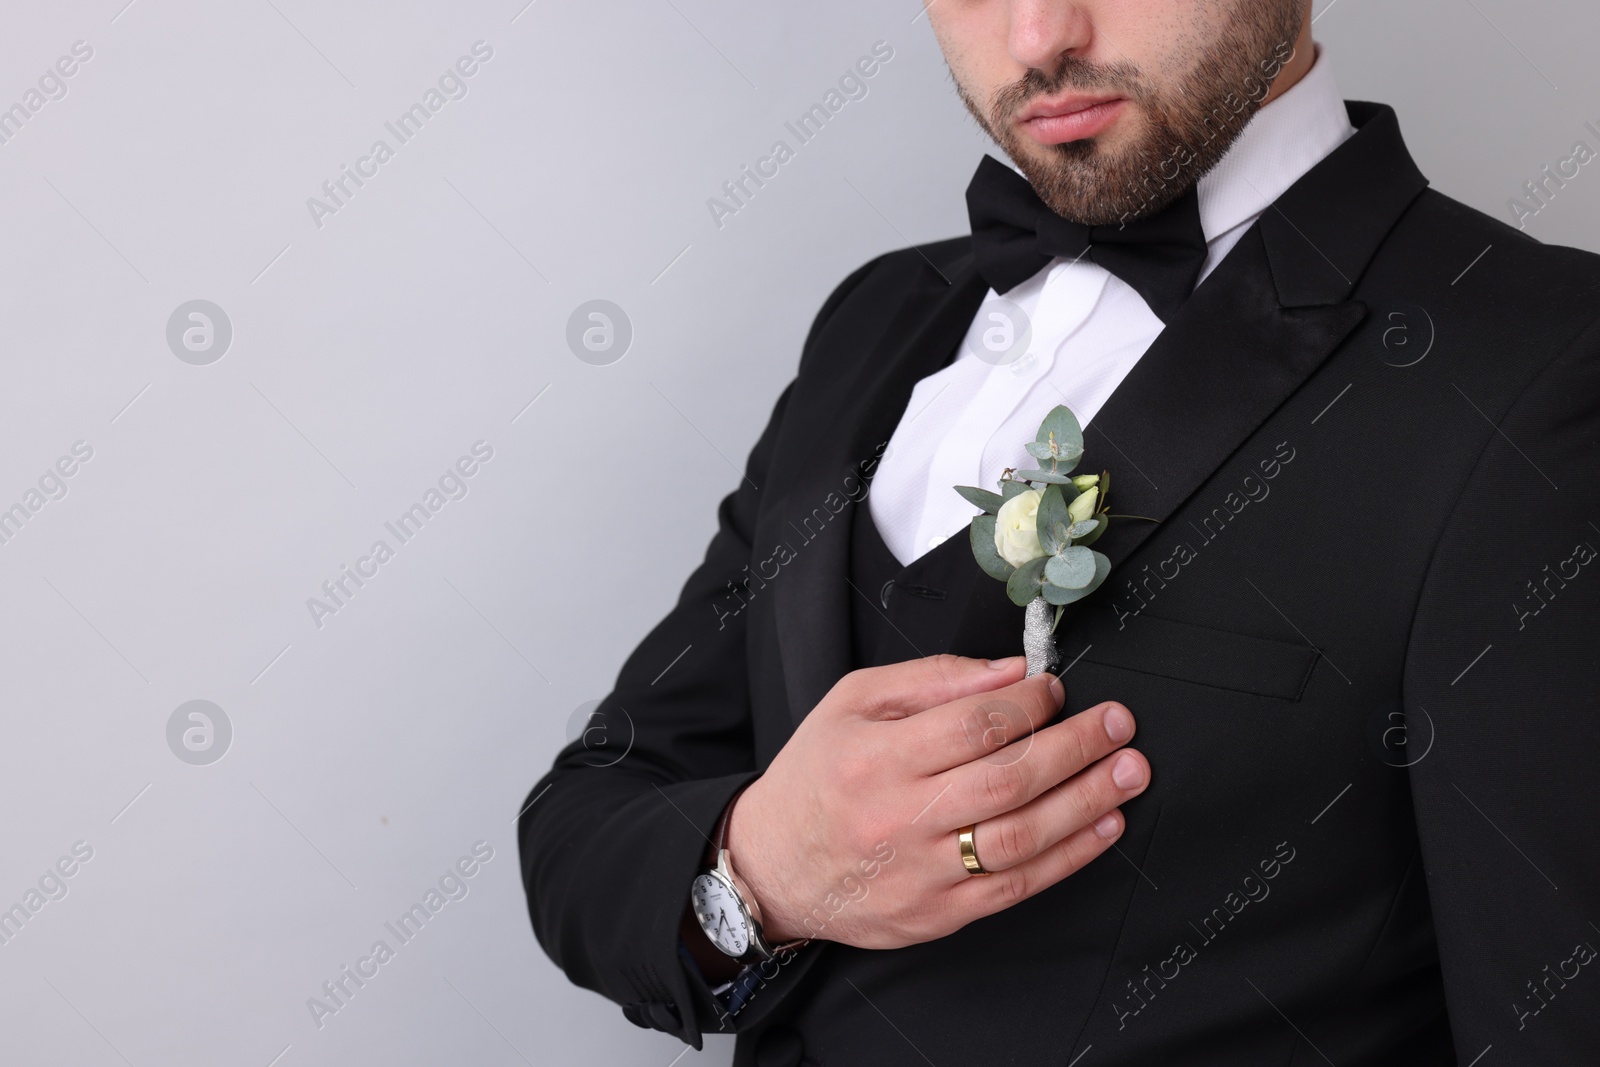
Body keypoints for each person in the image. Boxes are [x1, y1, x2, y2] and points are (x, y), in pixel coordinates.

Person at [519, 0, 1600, 1061]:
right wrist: (761, 877)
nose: (1040, 37)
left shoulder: (1542, 367)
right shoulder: (875, 317)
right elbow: (589, 814)